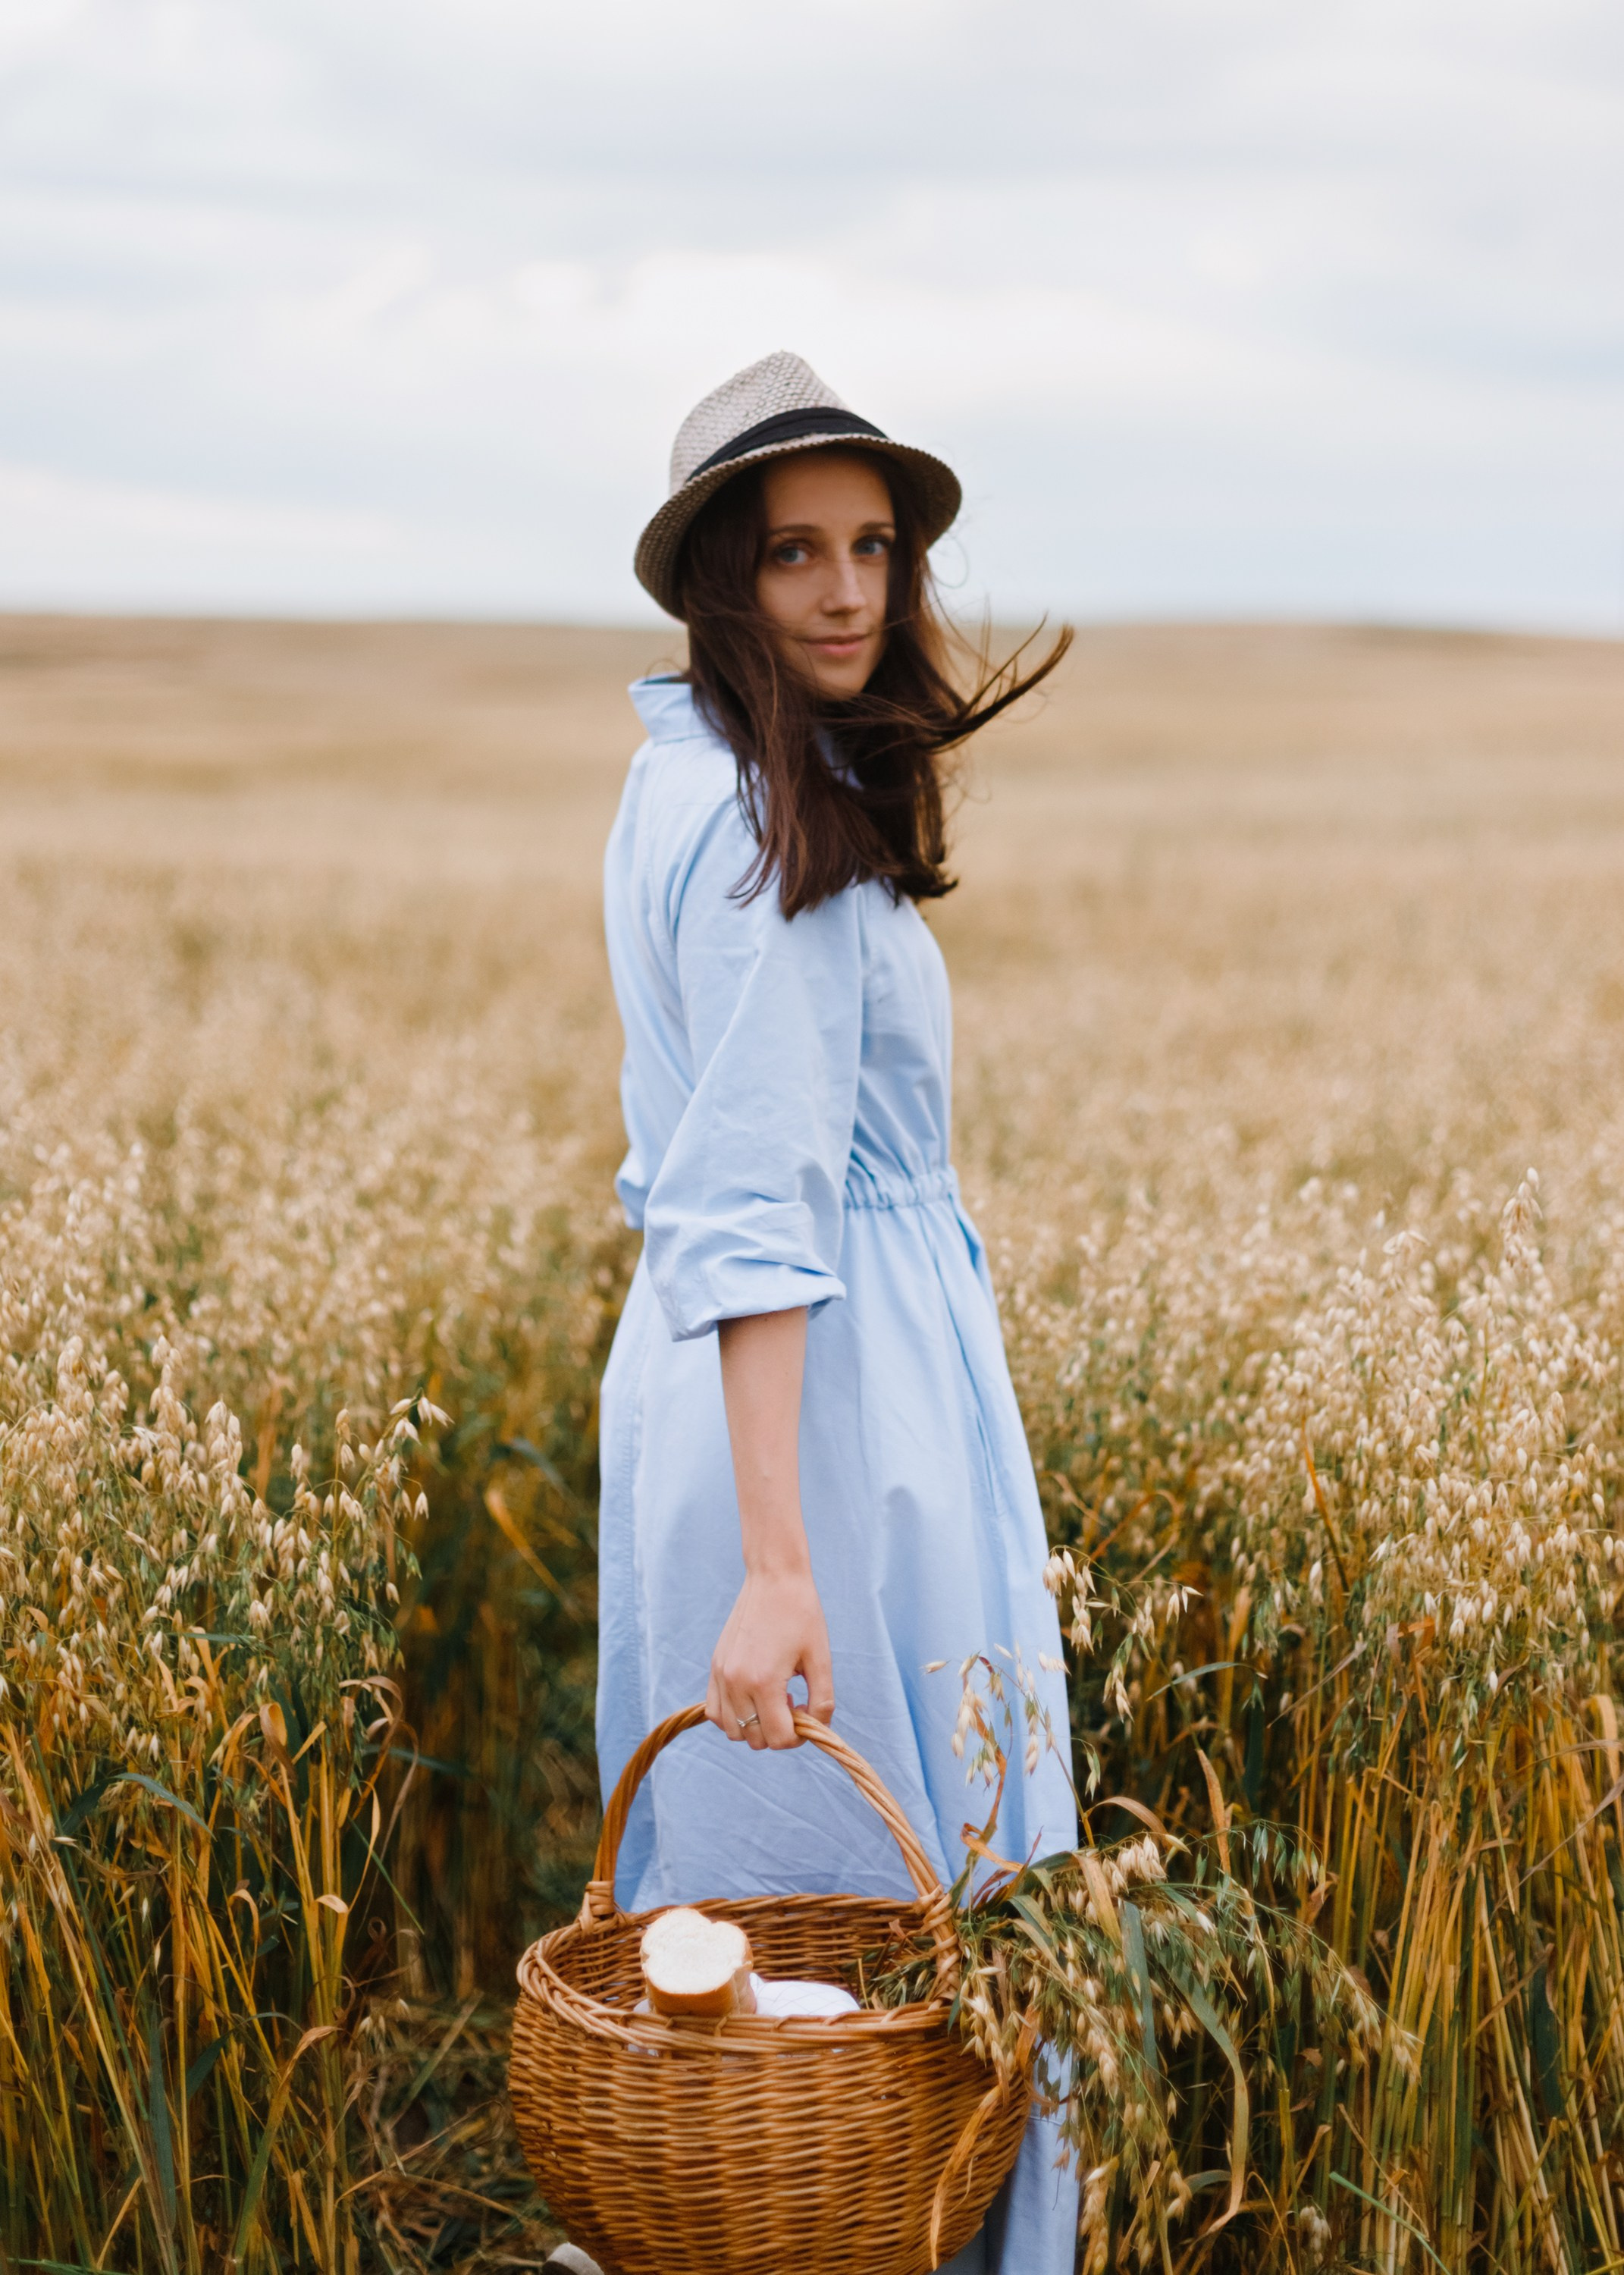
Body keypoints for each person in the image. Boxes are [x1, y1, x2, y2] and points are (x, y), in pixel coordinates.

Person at [583, 350, 1078, 2275]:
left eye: (873, 547)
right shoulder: (760, 832)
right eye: (796, 553)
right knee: (890, 1901)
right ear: (725, 577)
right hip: (828, 1410)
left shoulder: (691, 781)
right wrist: (783, 1561)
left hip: (733, 1387)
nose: (850, 591)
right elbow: (757, 1203)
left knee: (754, 1898)